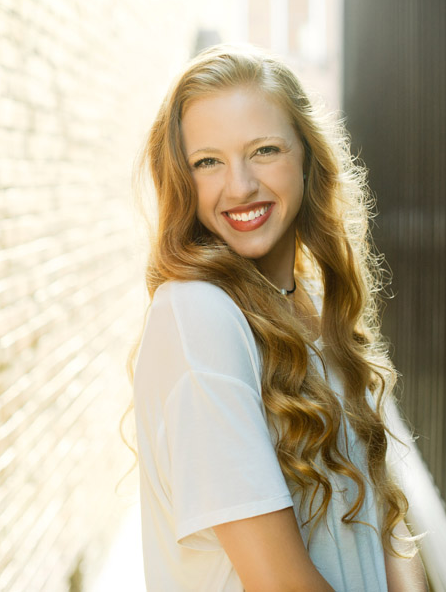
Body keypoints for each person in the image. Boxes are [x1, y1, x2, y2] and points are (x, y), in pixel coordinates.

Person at [128, 43, 429, 591]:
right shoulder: (198, 318)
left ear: (307, 156)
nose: (239, 185)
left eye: (264, 150)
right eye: (208, 161)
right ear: (182, 179)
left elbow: (385, 514)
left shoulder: (307, 302)